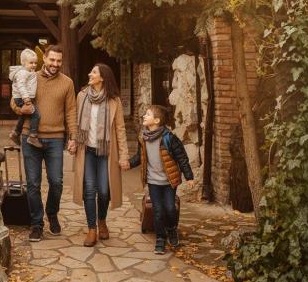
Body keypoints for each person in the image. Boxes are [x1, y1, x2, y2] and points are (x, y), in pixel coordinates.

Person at [14, 43, 77, 242]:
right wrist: (19, 110)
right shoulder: (29, 75)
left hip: (56, 138)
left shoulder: (67, 83)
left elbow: (71, 112)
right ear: (44, 59)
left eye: (59, 61)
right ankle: (36, 224)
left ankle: (52, 212)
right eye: (52, 60)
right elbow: (15, 99)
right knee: (33, 184)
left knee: (56, 182)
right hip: (29, 137)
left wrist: (73, 137)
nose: (55, 64)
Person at [69, 64, 130, 247]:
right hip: (86, 150)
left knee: (104, 191)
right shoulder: (82, 96)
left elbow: (120, 128)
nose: (90, 73)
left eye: (93, 72)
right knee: (89, 190)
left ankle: (102, 220)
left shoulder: (114, 100)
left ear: (102, 77)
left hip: (106, 152)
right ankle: (92, 229)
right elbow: (76, 123)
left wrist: (124, 155)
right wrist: (73, 140)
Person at [130, 104, 194, 254]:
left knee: (170, 209)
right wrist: (128, 164)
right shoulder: (144, 138)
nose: (144, 116)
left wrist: (189, 176)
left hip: (169, 182)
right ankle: (160, 239)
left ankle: (172, 229)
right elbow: (140, 157)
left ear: (157, 120)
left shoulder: (169, 138)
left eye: (148, 114)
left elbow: (182, 158)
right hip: (153, 182)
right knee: (158, 211)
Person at [8, 48, 42, 148]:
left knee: (23, 116)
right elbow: (21, 86)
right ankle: (33, 136)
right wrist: (26, 98)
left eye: (35, 63)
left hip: (23, 97)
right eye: (31, 63)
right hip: (22, 98)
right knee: (36, 115)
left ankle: (15, 133)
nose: (34, 65)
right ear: (23, 63)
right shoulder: (22, 73)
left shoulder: (30, 72)